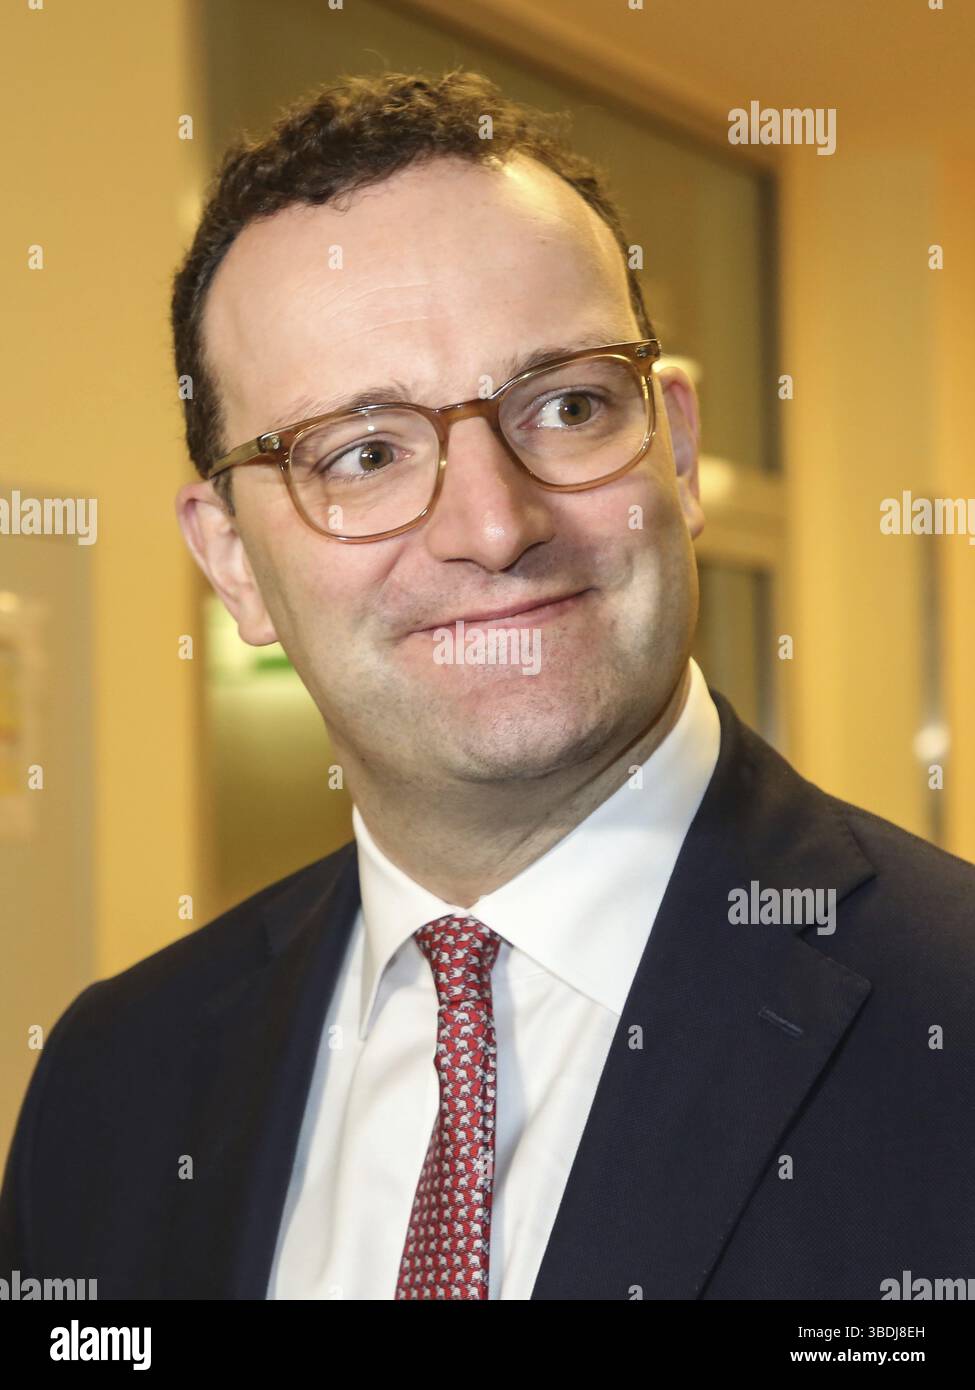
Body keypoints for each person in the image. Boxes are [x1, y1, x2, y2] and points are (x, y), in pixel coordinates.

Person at [2, 69, 973, 1303]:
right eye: (362, 453)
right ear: (234, 562)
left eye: (565, 405)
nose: (494, 525)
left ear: (674, 451)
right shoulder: (112, 1090)